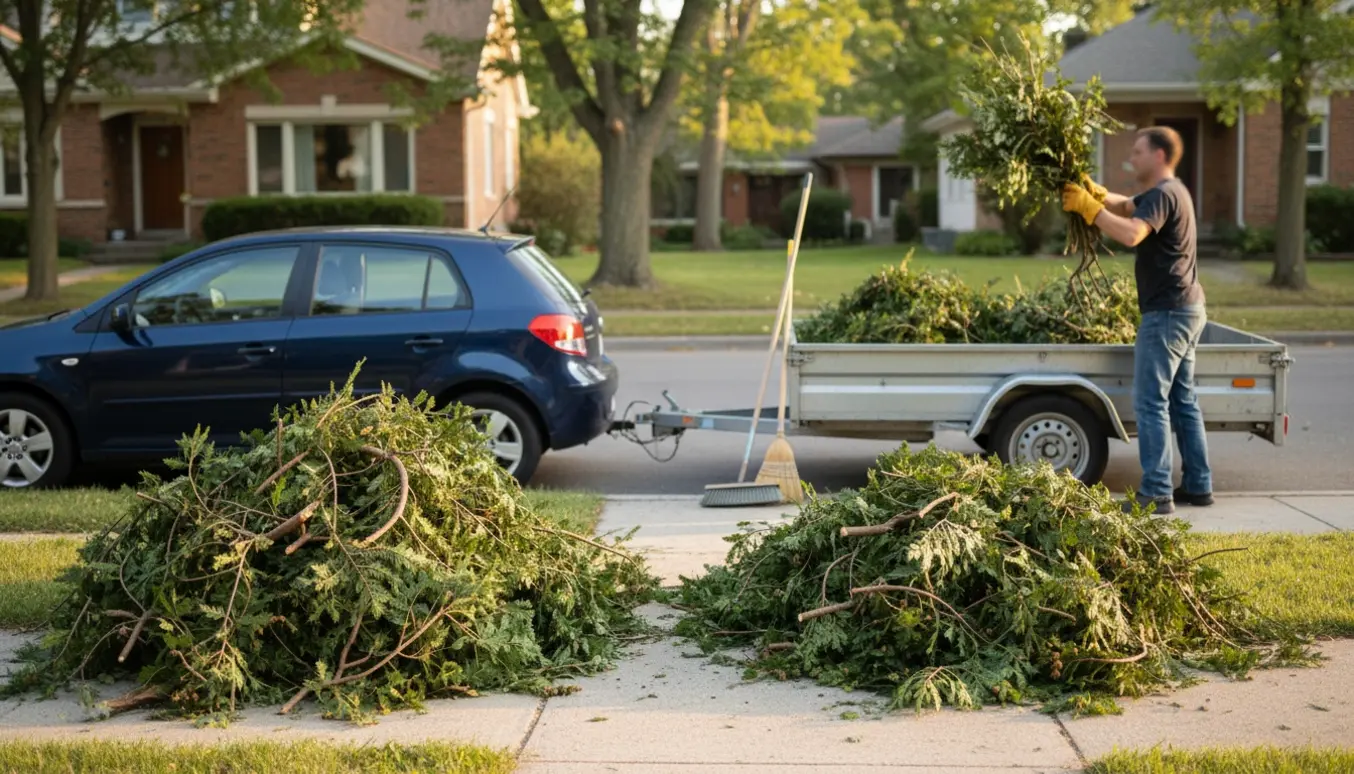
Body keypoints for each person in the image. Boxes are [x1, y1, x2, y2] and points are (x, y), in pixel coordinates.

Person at [1061, 126, 1213, 516]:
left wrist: (1091, 210)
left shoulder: (1163, 194)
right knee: (1183, 400)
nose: (1132, 157)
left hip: (1167, 312)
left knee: (1150, 402)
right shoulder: (1172, 191)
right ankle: (1198, 485)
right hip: (1188, 307)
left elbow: (1132, 234)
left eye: (1138, 152)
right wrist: (1099, 194)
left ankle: (1157, 493)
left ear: (1159, 155)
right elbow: (1129, 206)